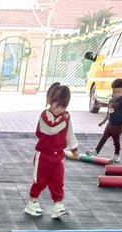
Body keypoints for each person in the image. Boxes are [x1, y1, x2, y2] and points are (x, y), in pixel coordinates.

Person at [24, 84, 79, 220]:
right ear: (50, 101)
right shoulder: (45, 115)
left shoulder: (65, 117)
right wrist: (64, 119)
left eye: (63, 107)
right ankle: (33, 202)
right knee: (40, 180)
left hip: (58, 155)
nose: (59, 110)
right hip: (43, 155)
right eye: (57, 106)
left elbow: (69, 133)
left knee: (58, 180)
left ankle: (57, 204)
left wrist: (74, 148)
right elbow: (51, 129)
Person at [87, 78, 122, 163]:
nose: (116, 94)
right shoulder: (112, 99)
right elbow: (109, 112)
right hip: (110, 124)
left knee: (116, 140)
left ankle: (117, 155)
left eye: (119, 92)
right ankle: (96, 151)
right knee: (103, 138)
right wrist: (103, 121)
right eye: (114, 92)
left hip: (118, 125)